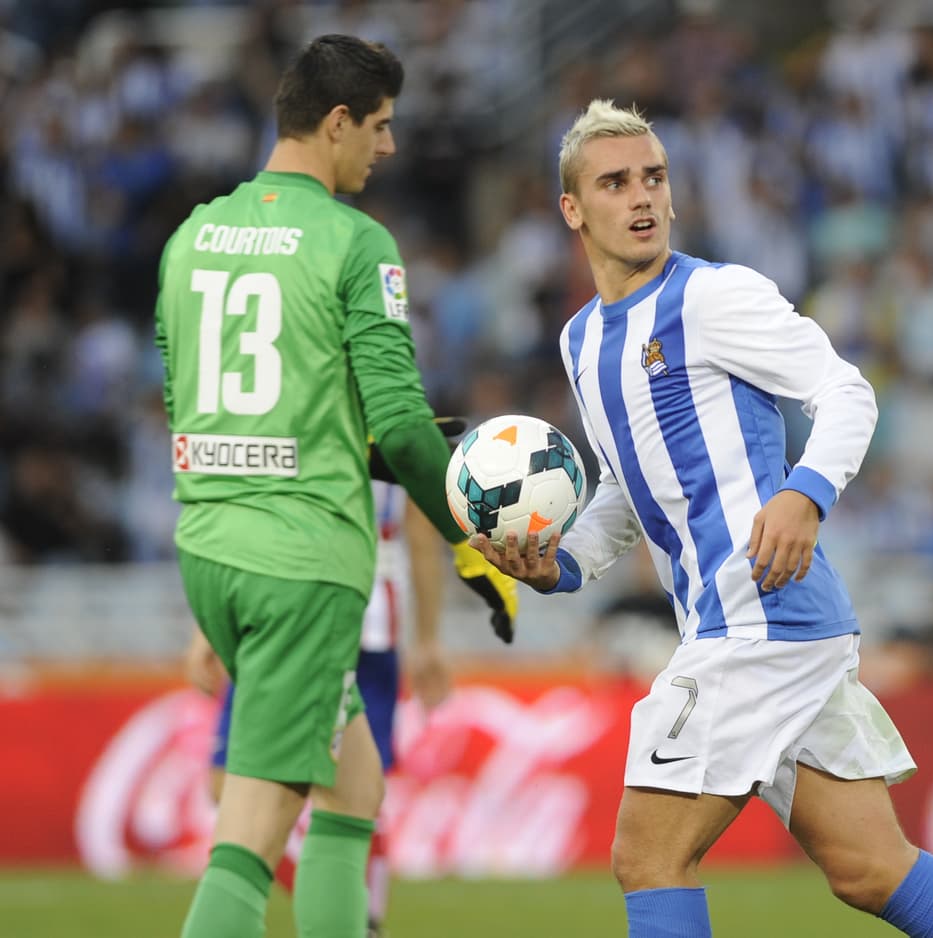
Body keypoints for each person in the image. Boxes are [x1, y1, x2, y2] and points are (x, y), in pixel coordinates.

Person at [472, 98, 933, 938]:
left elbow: (846, 390)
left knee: (647, 856)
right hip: (765, 628)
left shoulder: (715, 298)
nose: (642, 196)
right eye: (615, 183)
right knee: (871, 868)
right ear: (573, 211)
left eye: (653, 176)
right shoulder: (582, 340)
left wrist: (806, 492)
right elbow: (628, 485)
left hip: (758, 625)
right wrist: (565, 562)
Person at [155, 35, 515, 938]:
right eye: (382, 127)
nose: (388, 149)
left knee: (353, 787)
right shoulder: (358, 243)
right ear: (338, 121)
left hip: (211, 552)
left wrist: (355, 451)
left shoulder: (190, 239)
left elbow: (189, 407)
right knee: (252, 833)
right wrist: (478, 543)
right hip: (305, 571)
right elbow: (397, 420)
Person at [185, 481, 449, 938]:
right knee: (354, 788)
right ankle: (360, 917)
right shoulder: (393, 415)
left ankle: (359, 918)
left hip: (301, 608)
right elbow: (421, 533)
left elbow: (248, 500)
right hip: (343, 611)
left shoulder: (312, 414)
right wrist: (426, 638)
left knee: (328, 791)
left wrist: (427, 639)